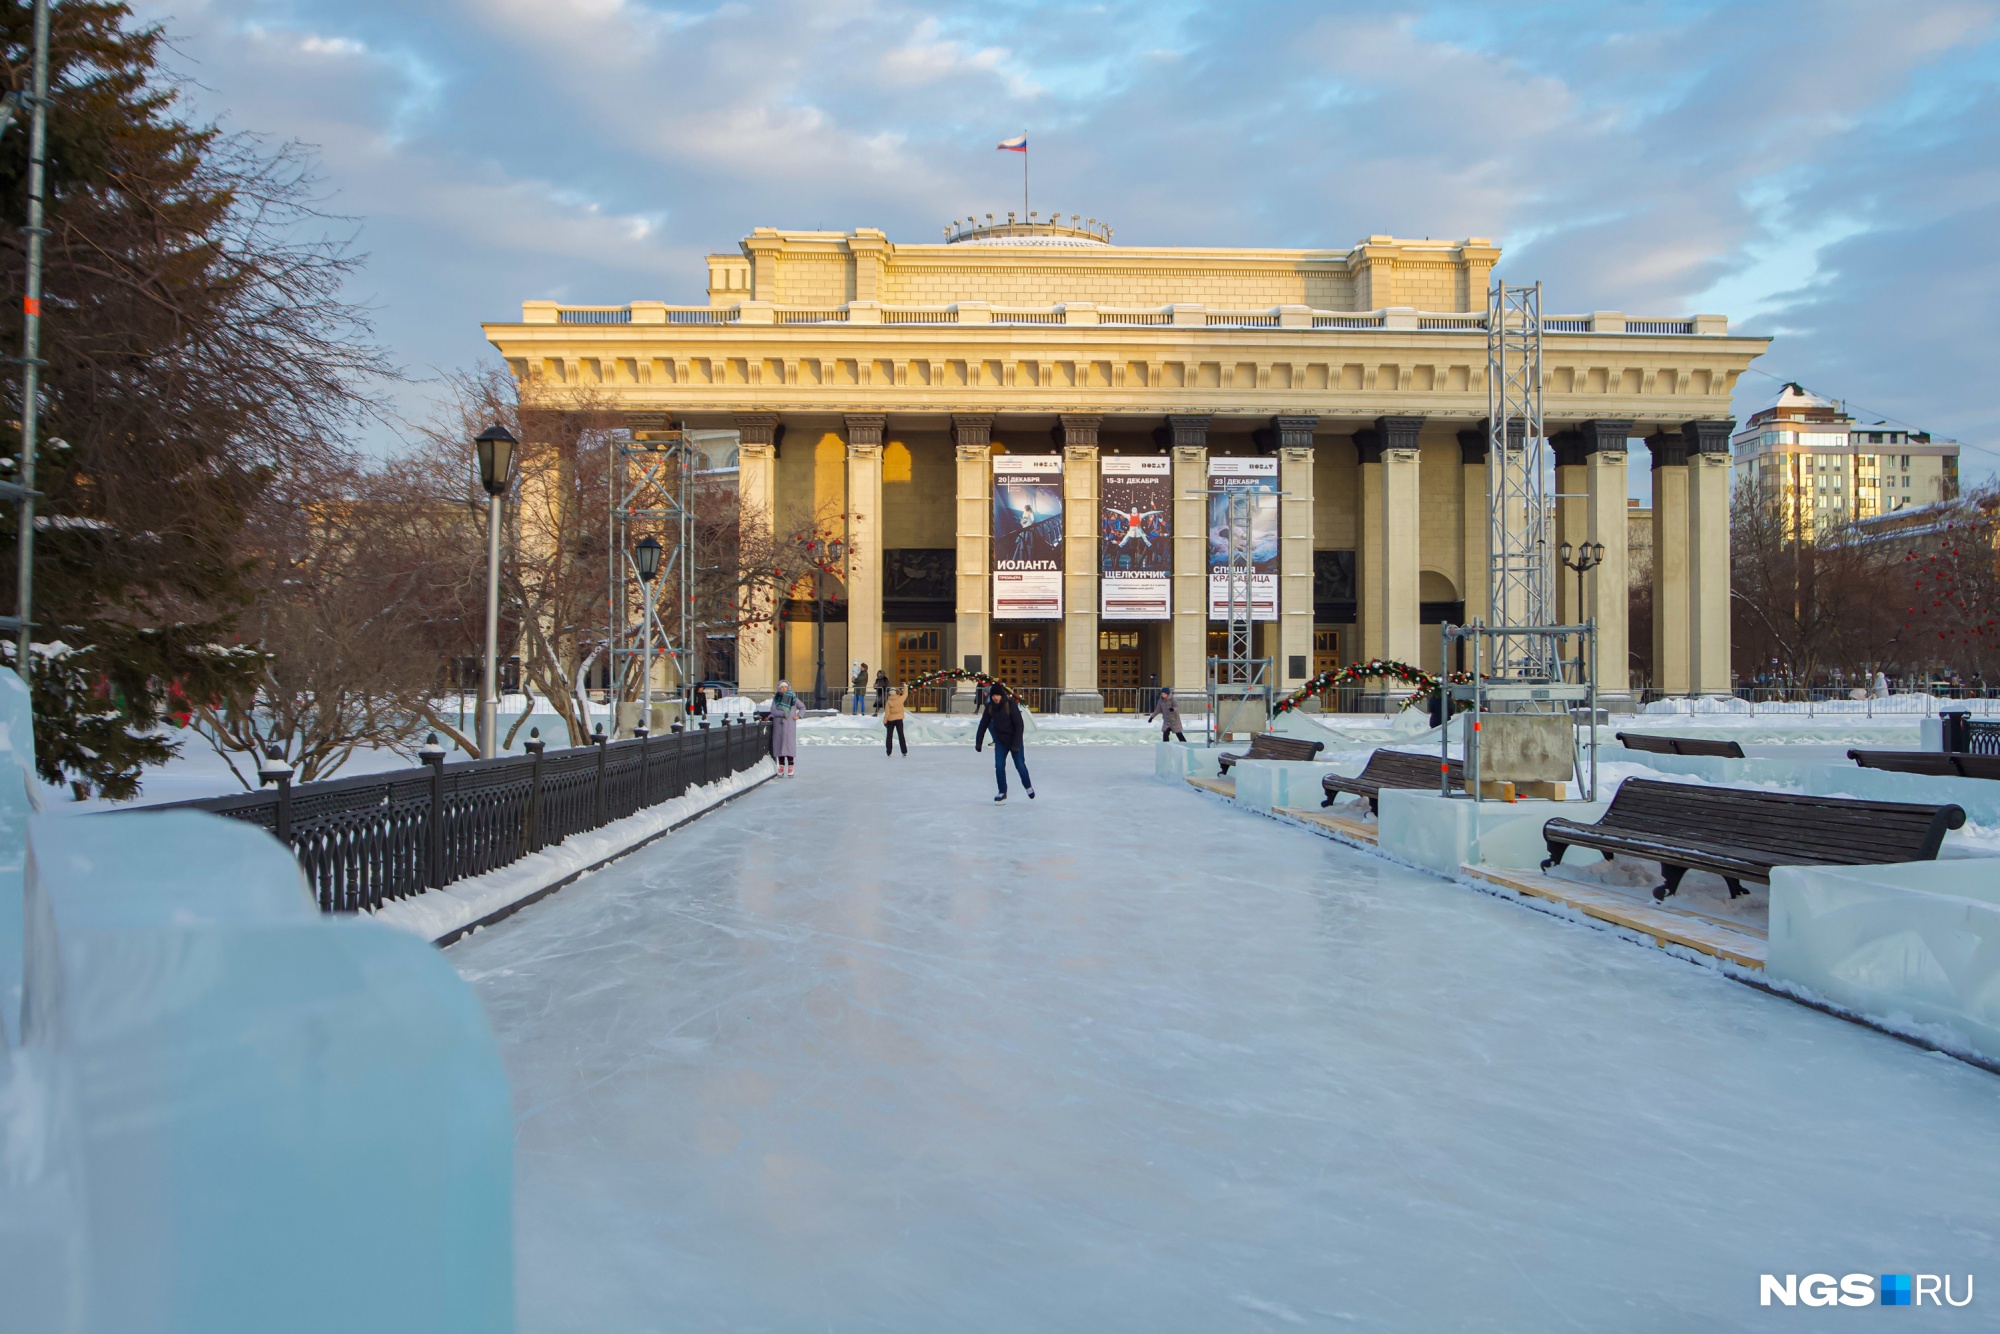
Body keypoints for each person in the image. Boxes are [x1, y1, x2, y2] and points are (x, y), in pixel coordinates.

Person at [974, 680, 1034, 802]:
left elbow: (1019, 725)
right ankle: (1002, 791)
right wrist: (978, 742)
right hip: (1001, 741)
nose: (996, 698)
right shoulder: (990, 707)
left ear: (1002, 695)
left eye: (998, 695)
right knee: (999, 766)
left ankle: (1028, 786)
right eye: (994, 695)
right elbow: (983, 724)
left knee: (1020, 765)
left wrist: (1016, 744)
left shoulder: (1010, 705)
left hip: (1014, 739)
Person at [769, 680, 804, 777]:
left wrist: (799, 715)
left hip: (790, 725)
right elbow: (773, 710)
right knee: (779, 745)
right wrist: (783, 714)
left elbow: (802, 707)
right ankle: (781, 766)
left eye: (785, 687)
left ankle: (791, 766)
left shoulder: (793, 698)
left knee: (789, 745)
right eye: (781, 688)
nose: (784, 689)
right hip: (779, 725)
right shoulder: (776, 699)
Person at [883, 682, 908, 757]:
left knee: (889, 735)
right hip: (899, 719)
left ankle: (889, 751)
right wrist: (905, 686)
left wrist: (885, 721)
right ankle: (904, 751)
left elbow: (887, 713)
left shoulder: (888, 702)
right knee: (901, 735)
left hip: (890, 720)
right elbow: (906, 693)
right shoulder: (900, 699)